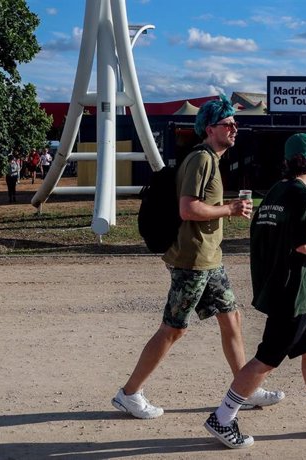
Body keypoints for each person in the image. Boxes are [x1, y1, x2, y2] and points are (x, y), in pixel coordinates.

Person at [111, 95, 284, 420]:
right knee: (173, 329)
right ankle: (130, 393)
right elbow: (187, 208)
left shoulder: (211, 160)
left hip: (210, 258)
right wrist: (230, 209)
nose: (235, 128)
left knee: (231, 317)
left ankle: (244, 389)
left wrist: (227, 208)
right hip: (191, 260)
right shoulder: (201, 159)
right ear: (210, 128)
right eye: (228, 123)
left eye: (235, 123)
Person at [204, 133, 306, 449]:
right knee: (266, 359)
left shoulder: (275, 192)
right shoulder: (303, 194)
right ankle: (222, 417)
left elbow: (277, 239)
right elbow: (303, 244)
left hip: (288, 290)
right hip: (290, 293)